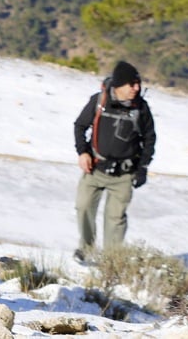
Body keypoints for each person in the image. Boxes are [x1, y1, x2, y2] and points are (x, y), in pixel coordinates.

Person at [72, 60, 157, 264]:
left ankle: (111, 261)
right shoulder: (99, 101)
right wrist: (82, 152)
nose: (136, 88)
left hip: (124, 174)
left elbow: (149, 138)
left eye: (138, 84)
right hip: (95, 168)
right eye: (132, 84)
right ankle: (86, 249)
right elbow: (80, 126)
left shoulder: (141, 108)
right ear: (119, 85)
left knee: (115, 218)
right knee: (83, 207)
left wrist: (143, 167)